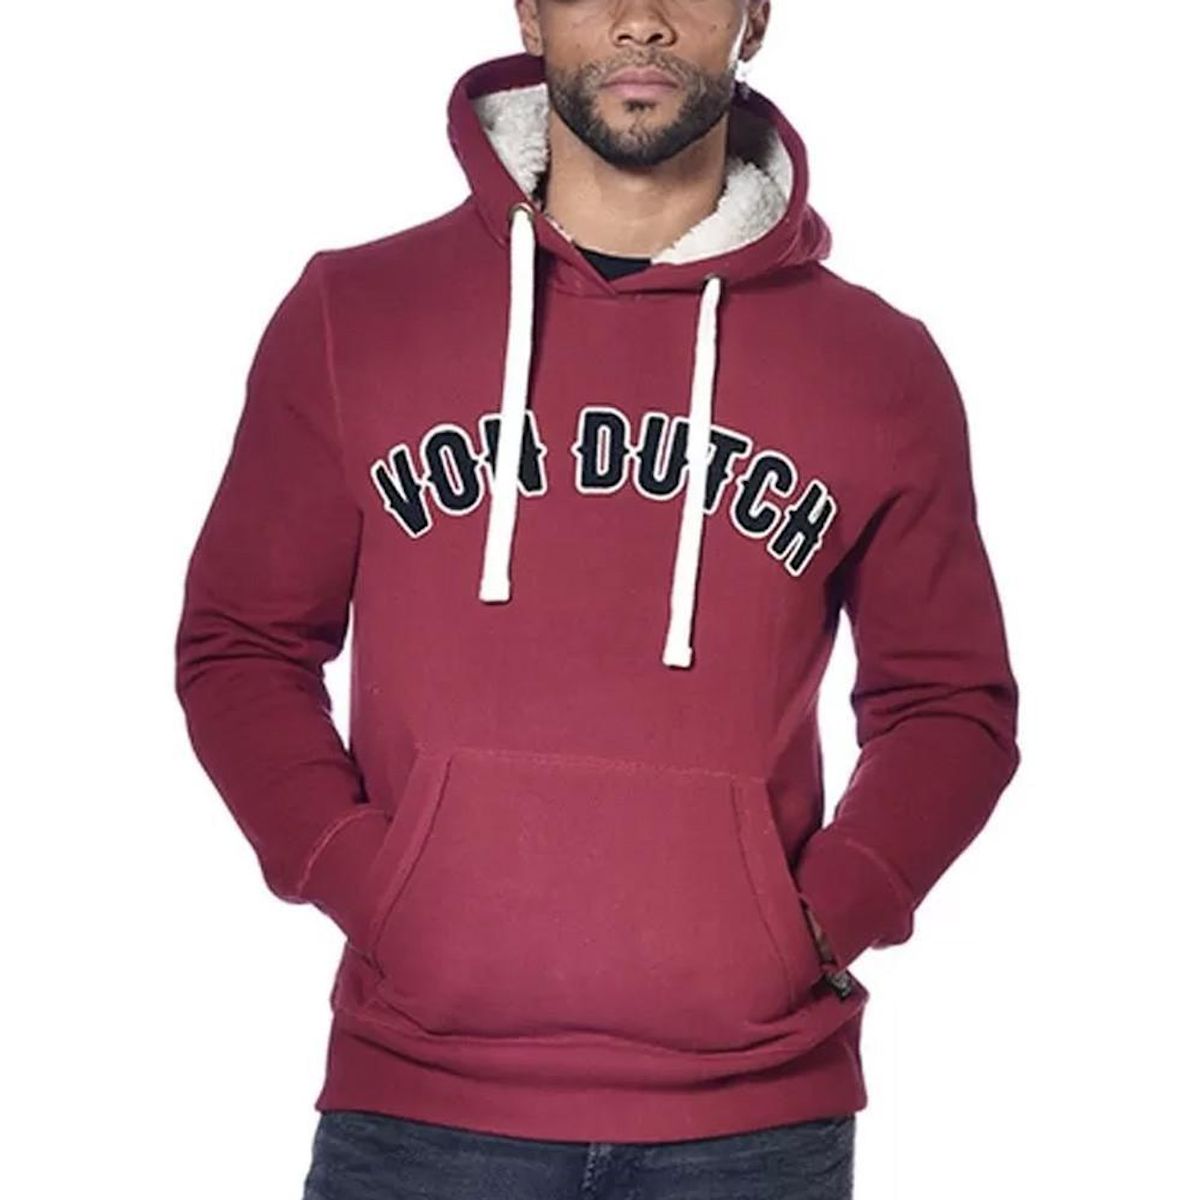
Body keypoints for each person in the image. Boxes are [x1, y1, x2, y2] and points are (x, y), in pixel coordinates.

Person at [173, 2, 1021, 1196]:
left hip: (752, 1126)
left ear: (755, 16)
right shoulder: (354, 313)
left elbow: (950, 704)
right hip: (421, 1110)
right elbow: (243, 645)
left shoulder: (878, 364)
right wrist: (371, 880)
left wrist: (823, 915)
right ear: (530, 11)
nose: (640, 19)